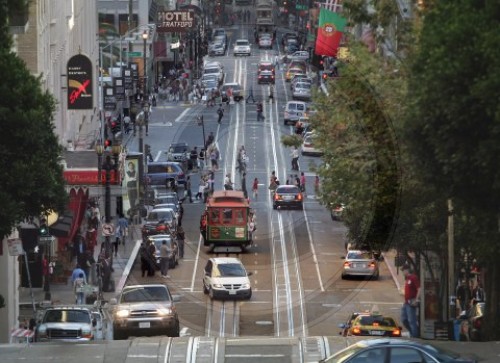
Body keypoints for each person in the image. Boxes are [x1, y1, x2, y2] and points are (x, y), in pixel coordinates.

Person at [401, 265, 421, 338]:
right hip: (406, 302)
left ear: (407, 270)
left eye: (403, 271)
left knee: (412, 320)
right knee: (404, 319)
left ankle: (415, 336)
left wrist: (416, 299)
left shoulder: (413, 278)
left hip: (411, 302)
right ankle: (412, 332)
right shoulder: (407, 279)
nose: (403, 272)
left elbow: (419, 288)